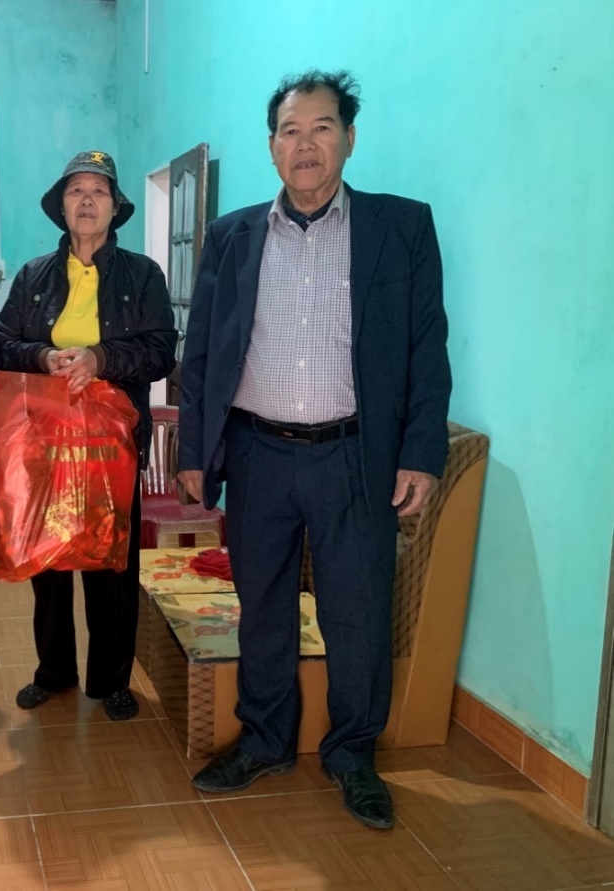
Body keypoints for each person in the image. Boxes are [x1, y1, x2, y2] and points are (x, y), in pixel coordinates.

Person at [177, 70, 451, 829]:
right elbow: (202, 352)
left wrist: (421, 452)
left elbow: (427, 349)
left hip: (355, 457)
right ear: (271, 147)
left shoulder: (400, 228)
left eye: (321, 128)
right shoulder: (232, 236)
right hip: (257, 454)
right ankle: (264, 740)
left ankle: (352, 753)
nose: (306, 145)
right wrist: (195, 450)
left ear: (348, 139)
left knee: (356, 611)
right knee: (261, 606)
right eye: (290, 131)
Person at [0, 151, 177, 721]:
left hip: (111, 445)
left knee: (110, 560)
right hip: (43, 444)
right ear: (62, 206)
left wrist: (101, 358)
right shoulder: (33, 275)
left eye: (99, 191)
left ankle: (111, 679)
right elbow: (2, 344)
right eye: (76, 191)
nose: (87, 200)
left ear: (116, 207)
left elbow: (161, 351)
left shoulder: (142, 274)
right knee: (47, 559)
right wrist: (43, 357)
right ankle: (54, 671)